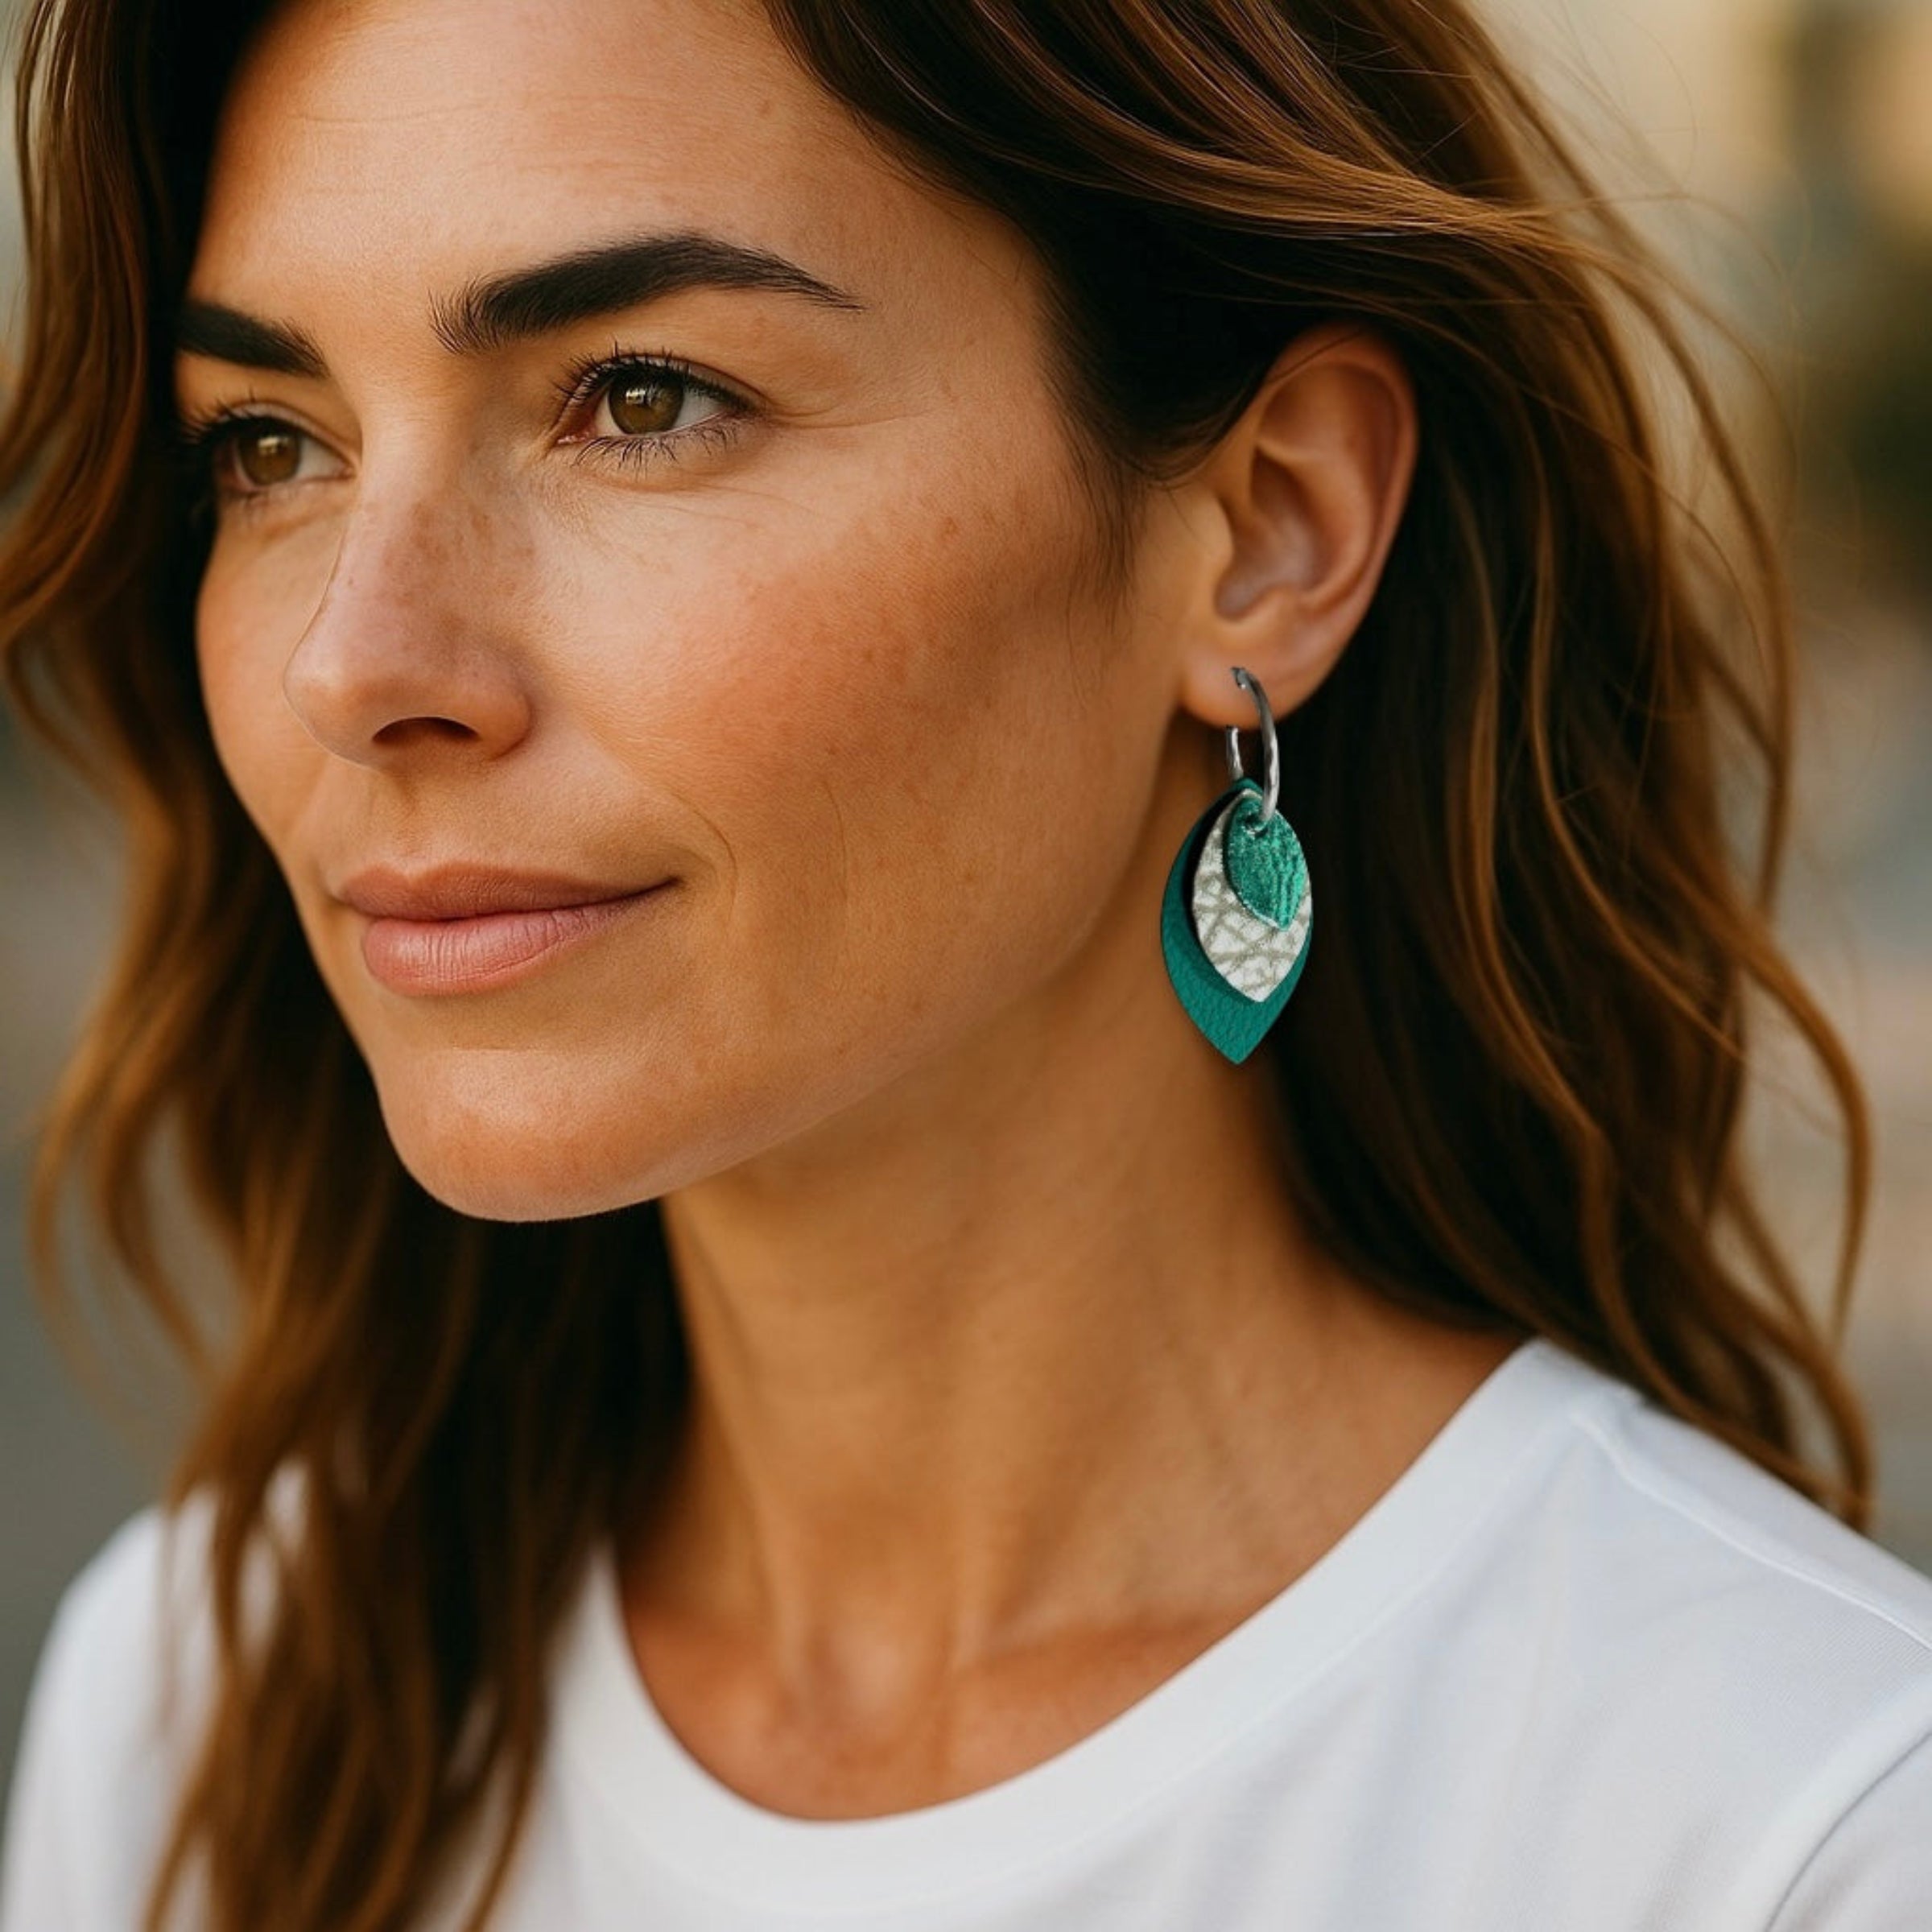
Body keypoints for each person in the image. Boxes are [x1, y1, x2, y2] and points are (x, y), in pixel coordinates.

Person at [1, 0, 1929, 1926]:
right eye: (270, 444)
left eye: (644, 400)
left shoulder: (1797, 1831)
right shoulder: (209, 1715)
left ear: (1270, 532)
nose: (357, 664)